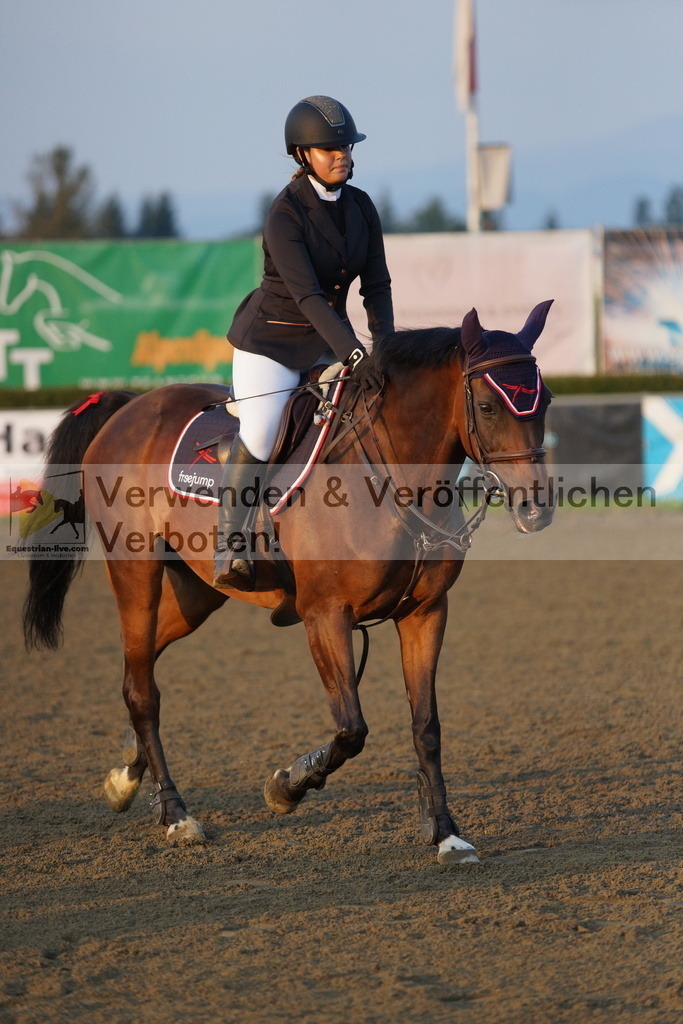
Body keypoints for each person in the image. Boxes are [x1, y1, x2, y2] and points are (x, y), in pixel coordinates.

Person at [214, 94, 394, 589]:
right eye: (330, 148)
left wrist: (385, 349)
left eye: (346, 147)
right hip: (271, 343)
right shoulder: (285, 214)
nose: (342, 155)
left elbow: (377, 286)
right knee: (263, 429)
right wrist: (353, 352)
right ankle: (230, 544)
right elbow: (309, 297)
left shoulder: (362, 207)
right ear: (302, 154)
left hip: (327, 340)